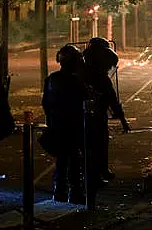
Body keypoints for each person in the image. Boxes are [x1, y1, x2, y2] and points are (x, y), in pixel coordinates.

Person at [41, 45, 87, 204]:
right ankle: (75, 192)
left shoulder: (52, 79)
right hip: (72, 125)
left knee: (61, 159)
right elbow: (86, 99)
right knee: (74, 160)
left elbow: (45, 103)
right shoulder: (75, 80)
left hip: (56, 124)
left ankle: (59, 191)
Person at [83, 38, 130, 185]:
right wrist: (123, 121)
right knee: (99, 145)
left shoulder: (80, 72)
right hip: (96, 117)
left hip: (78, 118)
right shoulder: (101, 78)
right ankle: (98, 173)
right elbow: (113, 101)